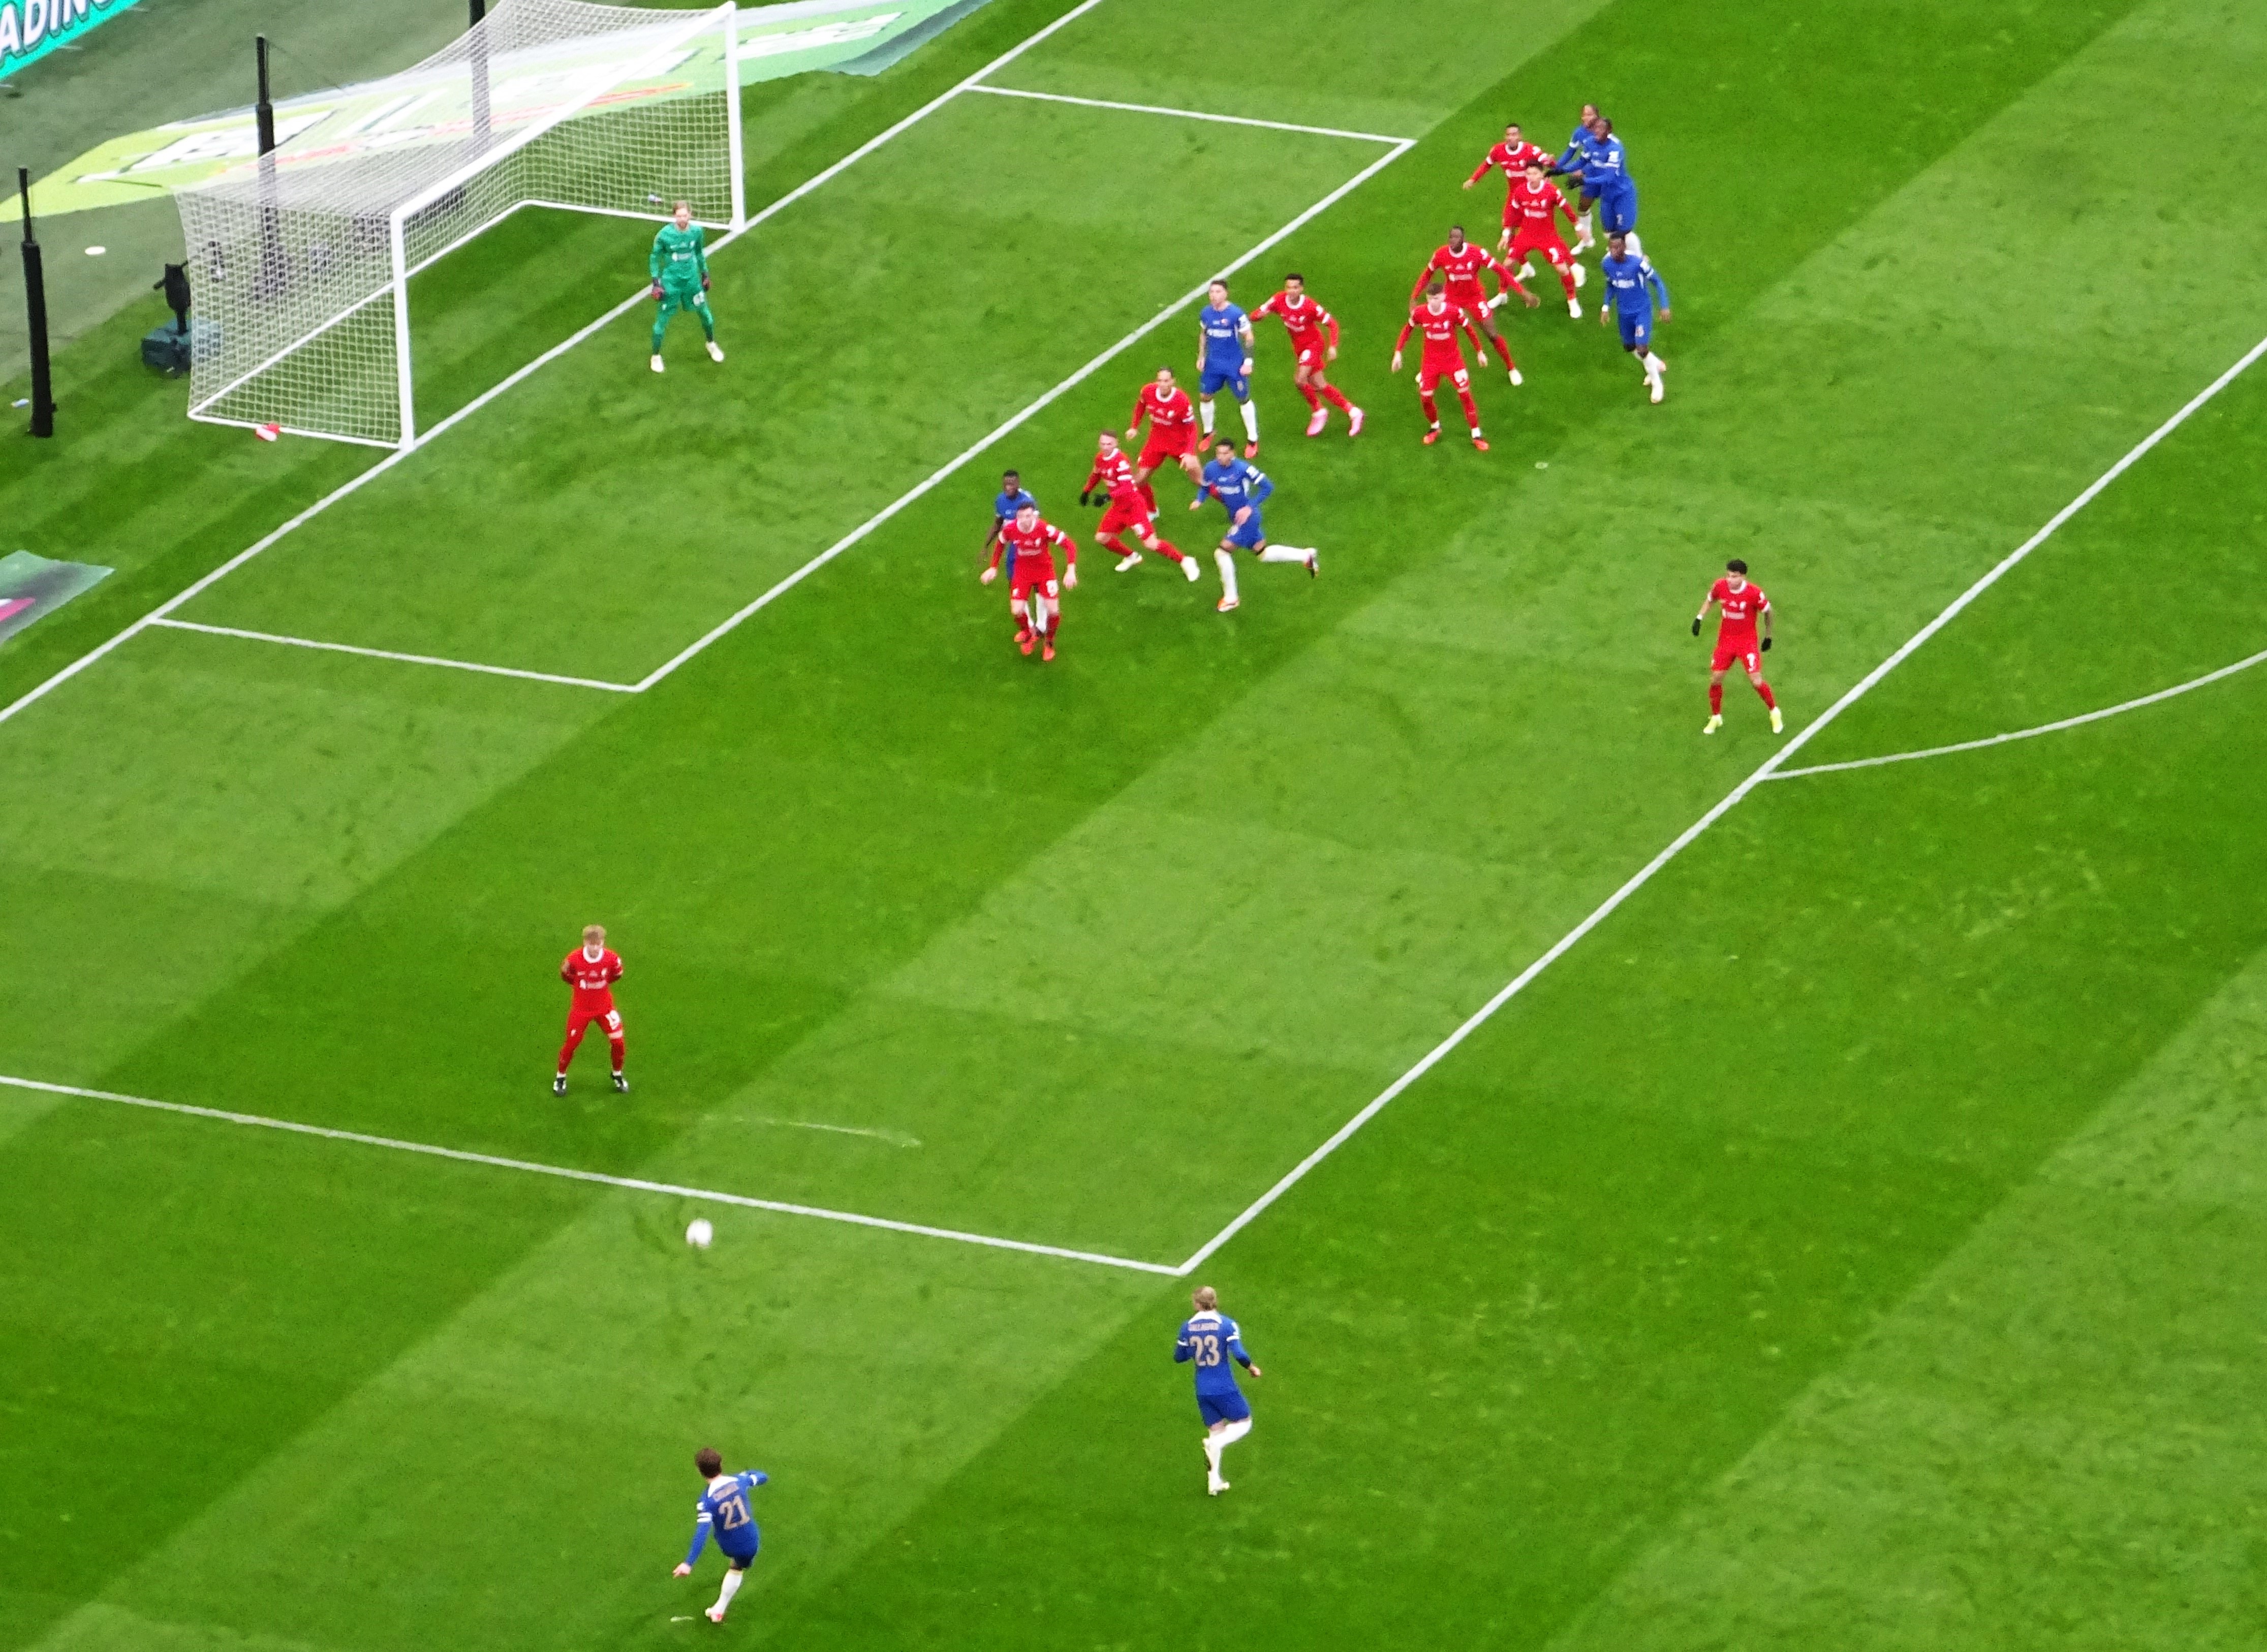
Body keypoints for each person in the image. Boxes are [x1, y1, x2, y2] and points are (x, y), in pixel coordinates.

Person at [1189, 438, 1317, 612]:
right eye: (1218, 453)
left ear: (1233, 454)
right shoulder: (1211, 468)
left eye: (1225, 453)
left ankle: (1231, 598)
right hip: (1236, 517)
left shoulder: (1243, 469)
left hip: (1248, 518)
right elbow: (1205, 487)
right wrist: (1199, 500)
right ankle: (1305, 556)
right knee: (1262, 553)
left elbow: (1268, 487)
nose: (1221, 457)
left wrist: (1249, 508)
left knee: (1222, 552)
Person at [1410, 225, 1536, 384]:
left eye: (1456, 237)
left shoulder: (1476, 253)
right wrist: (1414, 297)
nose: (1453, 240)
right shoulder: (1441, 254)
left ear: (1463, 239)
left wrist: (1522, 291)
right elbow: (1427, 274)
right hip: (1451, 297)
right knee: (1436, 332)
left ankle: (1511, 368)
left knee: (1492, 334)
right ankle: (1428, 369)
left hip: (1474, 297)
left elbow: (1501, 271)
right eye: (1451, 237)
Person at [1175, 1286, 1262, 1496]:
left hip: (1202, 1389)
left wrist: (1195, 1349)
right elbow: (1239, 1354)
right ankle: (1214, 1445)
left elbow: (1179, 1357)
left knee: (1216, 1430)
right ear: (1215, 1301)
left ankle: (1214, 1483)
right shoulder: (1226, 1325)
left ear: (1197, 1304)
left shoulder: (1187, 1327)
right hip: (1224, 1386)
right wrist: (1252, 1368)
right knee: (1244, 1422)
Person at [1251, 274, 1363, 437]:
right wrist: (1259, 317)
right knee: (1320, 385)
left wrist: (1333, 346)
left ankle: (1319, 411)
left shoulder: (1310, 306)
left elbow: (1333, 324)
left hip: (1314, 345)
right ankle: (1354, 412)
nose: (1291, 291)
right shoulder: (1278, 300)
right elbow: (1255, 315)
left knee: (1300, 380)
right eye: (1288, 287)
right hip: (1299, 347)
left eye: (1295, 288)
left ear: (1301, 289)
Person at [1081, 431, 1199, 579]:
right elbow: (1096, 474)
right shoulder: (1100, 458)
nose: (1105, 447)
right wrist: (1086, 491)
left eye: (1109, 444)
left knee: (1151, 544)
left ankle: (1185, 561)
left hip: (1133, 507)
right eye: (1102, 444)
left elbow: (1127, 487)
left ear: (1116, 443)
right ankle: (1132, 557)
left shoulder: (1121, 462)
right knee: (1102, 538)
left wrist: (1107, 497)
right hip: (1119, 507)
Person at [671, 1447, 768, 1624]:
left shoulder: (706, 1501)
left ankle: (718, 1611)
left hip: (731, 1545)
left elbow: (702, 1532)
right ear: (721, 1464)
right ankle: (719, 1609)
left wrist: (689, 1563)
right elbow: (762, 1476)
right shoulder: (739, 1481)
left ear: (700, 1471)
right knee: (739, 1565)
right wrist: (744, 1475)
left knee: (737, 1566)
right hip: (752, 1538)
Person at [1391, 280, 1489, 450]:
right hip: (1431, 362)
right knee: (1426, 398)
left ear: (1443, 297)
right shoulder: (1420, 313)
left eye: (1436, 298)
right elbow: (1407, 330)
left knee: (1465, 395)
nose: (1433, 302)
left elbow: (1469, 330)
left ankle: (1476, 434)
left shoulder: (1454, 312)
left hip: (1453, 361)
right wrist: (1398, 352)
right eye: (1430, 298)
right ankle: (1435, 427)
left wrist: (1480, 352)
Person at [1693, 558, 1782, 734]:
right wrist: (1699, 618)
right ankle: (1716, 717)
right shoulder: (1720, 586)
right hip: (1726, 641)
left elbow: (1768, 612)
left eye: (1734, 577)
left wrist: (1768, 636)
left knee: (1756, 681)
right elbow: (1710, 600)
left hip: (1746, 642)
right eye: (1728, 576)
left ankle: (1774, 712)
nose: (1729, 580)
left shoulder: (1754, 593)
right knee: (1716, 679)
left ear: (1743, 577)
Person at [982, 502, 1078, 660]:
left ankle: (1049, 642)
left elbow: (1069, 545)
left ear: (1034, 516)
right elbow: (1000, 544)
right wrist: (993, 567)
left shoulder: (1044, 529)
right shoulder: (1011, 529)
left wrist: (1071, 570)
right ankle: (1028, 633)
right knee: (1017, 610)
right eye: (1021, 517)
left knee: (1054, 611)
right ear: (1017, 517)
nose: (1025, 520)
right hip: (1023, 572)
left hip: (1044, 571)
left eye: (1028, 516)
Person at [647, 201, 723, 373]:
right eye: (679, 216)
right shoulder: (664, 235)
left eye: (685, 215)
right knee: (661, 322)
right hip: (671, 284)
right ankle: (656, 356)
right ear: (674, 216)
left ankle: (711, 343)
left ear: (690, 215)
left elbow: (699, 253)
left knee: (706, 315)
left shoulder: (697, 232)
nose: (682, 219)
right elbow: (654, 258)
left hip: (692, 282)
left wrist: (705, 274)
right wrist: (656, 282)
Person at [1597, 232, 1671, 402]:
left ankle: (1657, 383)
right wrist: (1606, 306)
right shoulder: (1607, 264)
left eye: (1617, 247)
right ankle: (1655, 364)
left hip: (1641, 311)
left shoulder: (1638, 264)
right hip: (1624, 313)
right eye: (1611, 247)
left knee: (1642, 348)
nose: (1614, 251)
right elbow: (1611, 285)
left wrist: (1664, 306)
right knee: (1630, 347)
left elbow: (1658, 282)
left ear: (1624, 246)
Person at [1506, 160, 1585, 317]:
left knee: (1562, 269)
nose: (1531, 177)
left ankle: (1572, 299)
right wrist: (1507, 232)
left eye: (1535, 173)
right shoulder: (1520, 191)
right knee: (1507, 264)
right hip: (1526, 234)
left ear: (1542, 174)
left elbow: (1566, 208)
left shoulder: (1551, 191)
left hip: (1547, 237)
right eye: (1528, 174)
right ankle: (1505, 294)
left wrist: (1577, 226)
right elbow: (1512, 212)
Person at [1463, 121, 1556, 250]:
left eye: (1514, 134)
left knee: (1539, 230)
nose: (1511, 137)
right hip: (1514, 194)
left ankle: (1554, 251)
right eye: (1508, 135)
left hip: (1532, 195)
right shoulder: (1498, 151)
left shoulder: (1530, 150)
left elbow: (1548, 162)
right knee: (1508, 225)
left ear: (1520, 136)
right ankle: (1519, 259)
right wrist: (1473, 179)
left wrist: (1551, 164)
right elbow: (1487, 165)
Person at [555, 924, 626, 1095]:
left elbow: (616, 975)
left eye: (598, 944)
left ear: (603, 942)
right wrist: (582, 987)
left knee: (618, 1042)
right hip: (581, 1008)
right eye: (591, 944)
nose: (595, 948)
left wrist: (597, 987)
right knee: (572, 1042)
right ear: (585, 943)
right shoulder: (573, 959)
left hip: (605, 1007)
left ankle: (617, 1074)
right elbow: (566, 976)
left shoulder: (612, 959)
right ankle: (560, 1077)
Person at [1194, 279, 1261, 457]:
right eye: (1211, 292)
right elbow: (1204, 335)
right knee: (1205, 396)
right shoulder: (1206, 313)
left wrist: (1248, 362)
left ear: (1226, 294)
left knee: (1243, 398)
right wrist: (1201, 356)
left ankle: (1253, 439)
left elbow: (1249, 337)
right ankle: (1208, 432)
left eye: (1218, 292)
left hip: (1234, 365)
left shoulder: (1236, 314)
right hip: (1213, 364)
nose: (1214, 295)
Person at [1127, 368, 1204, 489]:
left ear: (1173, 381)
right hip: (1157, 440)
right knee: (1140, 479)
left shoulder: (1181, 400)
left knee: (1200, 480)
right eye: (1160, 381)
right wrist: (1134, 427)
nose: (1163, 384)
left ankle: (1230, 498)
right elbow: (1141, 405)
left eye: (1166, 381)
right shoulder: (1148, 391)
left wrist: (1189, 452)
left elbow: (1192, 428)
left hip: (1179, 443)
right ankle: (1147, 504)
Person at [1549, 104, 1604, 254]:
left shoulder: (1603, 133)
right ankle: (1586, 239)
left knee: (1611, 213)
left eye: (1590, 114)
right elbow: (1570, 153)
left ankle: (1620, 249)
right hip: (1590, 177)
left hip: (1606, 176)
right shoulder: (1579, 133)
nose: (1586, 118)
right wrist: (1555, 169)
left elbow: (1601, 159)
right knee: (1583, 207)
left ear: (1597, 116)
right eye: (1584, 115)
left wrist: (1583, 170)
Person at [1589, 116, 1641, 254]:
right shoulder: (1592, 143)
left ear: (1609, 131)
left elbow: (1609, 178)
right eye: (1596, 127)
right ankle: (1618, 252)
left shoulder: (1615, 149)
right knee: (1608, 232)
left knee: (1624, 232)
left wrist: (1584, 181)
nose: (1597, 131)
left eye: (1601, 128)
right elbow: (1586, 162)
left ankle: (1639, 258)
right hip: (1607, 194)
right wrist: (1561, 170)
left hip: (1621, 192)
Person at [984, 469, 1037, 576]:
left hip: (1029, 544)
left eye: (1011, 485)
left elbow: (1036, 526)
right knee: (1012, 575)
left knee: (1033, 576)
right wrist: (986, 546)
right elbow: (998, 524)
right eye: (1006, 485)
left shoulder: (1027, 501)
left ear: (1018, 484)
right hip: (1014, 544)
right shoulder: (1000, 500)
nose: (1008, 488)